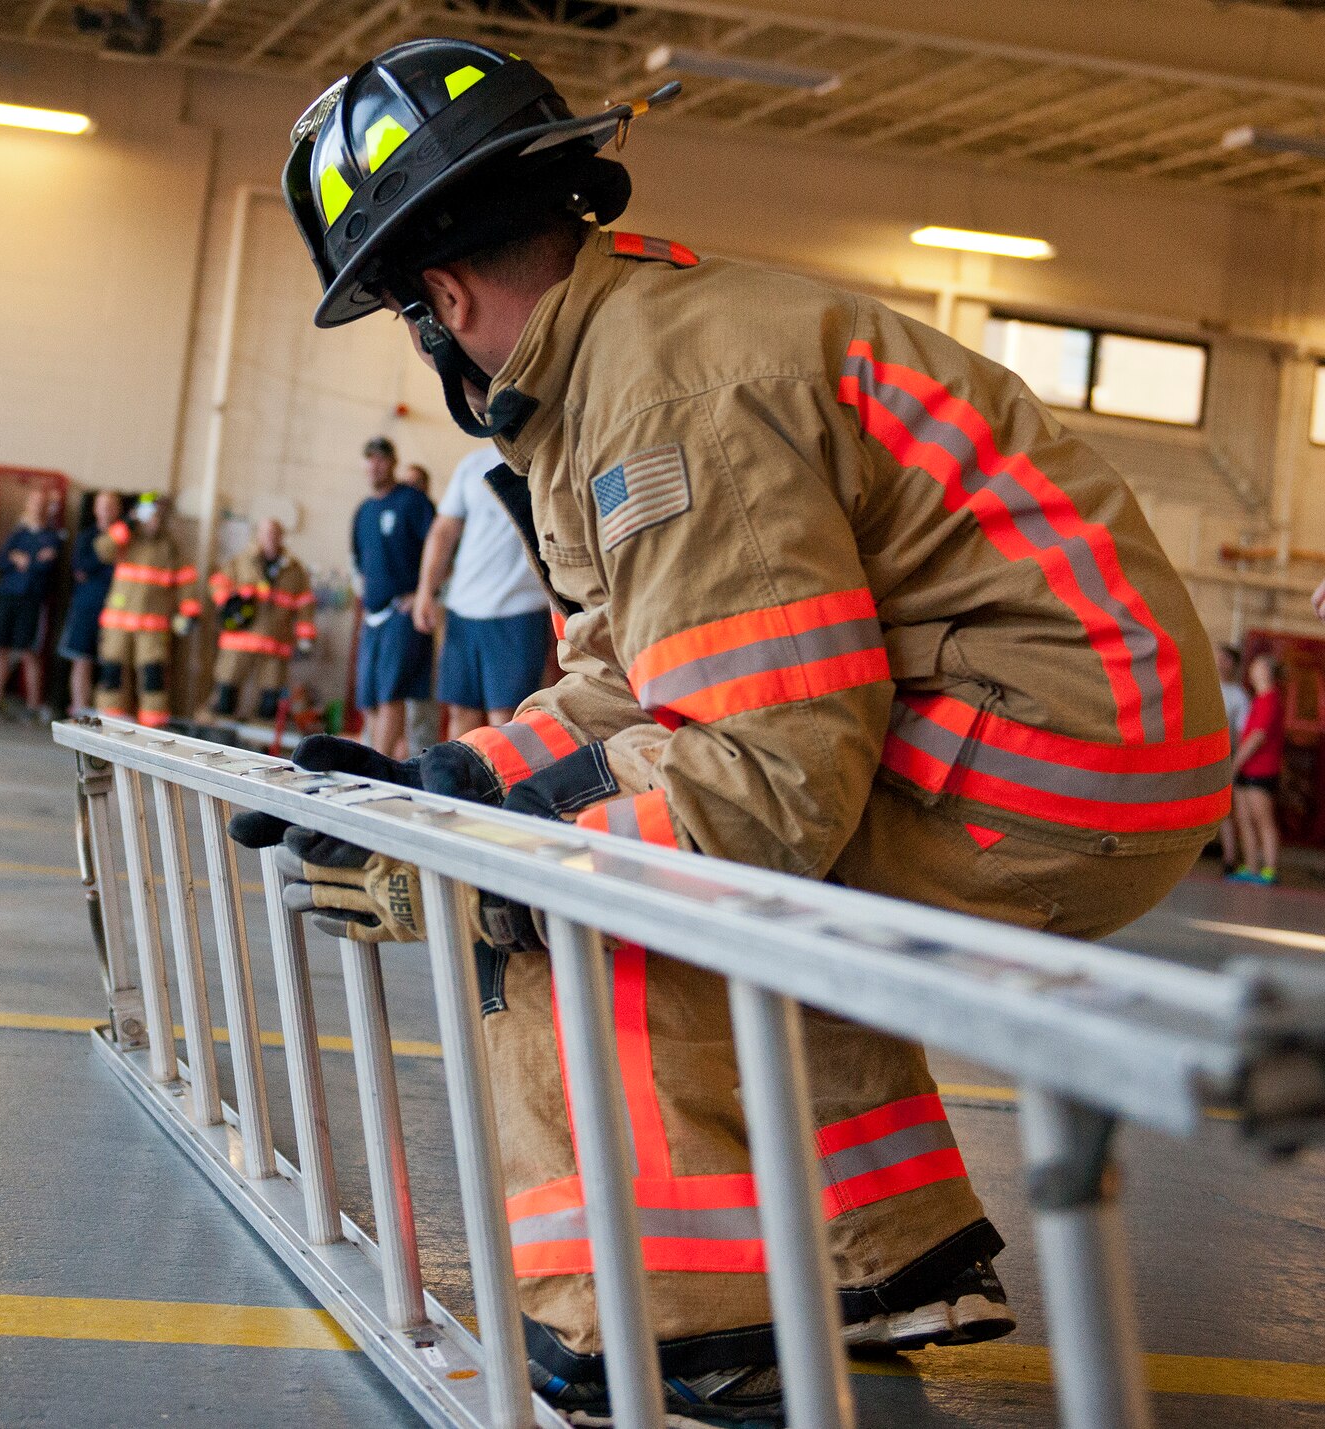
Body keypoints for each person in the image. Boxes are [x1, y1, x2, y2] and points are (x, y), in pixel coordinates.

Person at [252, 40, 1231, 1424]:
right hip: (1067, 736)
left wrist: (487, 866)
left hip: (1043, 764)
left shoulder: (662, 409)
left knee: (582, 901)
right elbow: (632, 681)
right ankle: (878, 1267)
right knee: (629, 840)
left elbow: (766, 784)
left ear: (444, 296)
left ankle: (671, 1326)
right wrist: (457, 778)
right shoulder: (637, 355)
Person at [415, 444, 555, 736]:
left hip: (519, 610)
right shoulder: (473, 463)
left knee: (507, 718)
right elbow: (443, 531)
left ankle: (506, 784)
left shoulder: (549, 457)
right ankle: (454, 782)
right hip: (463, 609)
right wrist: (425, 591)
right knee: (460, 710)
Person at [351, 435, 436, 758]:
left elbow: (441, 548)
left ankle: (380, 767)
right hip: (372, 616)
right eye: (369, 458)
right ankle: (381, 757)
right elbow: (360, 561)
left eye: (381, 458)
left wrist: (423, 592)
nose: (375, 465)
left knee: (391, 694)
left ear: (392, 463)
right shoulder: (364, 510)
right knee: (369, 695)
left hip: (402, 614)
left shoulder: (413, 502)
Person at [94, 494, 199, 728]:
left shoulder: (170, 548)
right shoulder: (126, 539)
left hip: (152, 626)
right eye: (149, 515)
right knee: (112, 672)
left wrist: (190, 612)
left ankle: (153, 727)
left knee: (153, 676)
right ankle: (108, 722)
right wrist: (127, 524)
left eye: (157, 516)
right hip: (118, 623)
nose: (153, 521)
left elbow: (187, 582)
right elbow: (102, 549)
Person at [197, 517, 317, 724]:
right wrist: (231, 601)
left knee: (270, 700)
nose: (270, 538)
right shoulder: (241, 562)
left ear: (282, 537)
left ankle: (259, 744)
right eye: (266, 533)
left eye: (275, 533)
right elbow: (217, 583)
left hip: (275, 643)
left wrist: (306, 638)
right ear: (258, 535)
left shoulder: (294, 570)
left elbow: (305, 604)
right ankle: (219, 736)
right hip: (240, 641)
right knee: (226, 692)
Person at [0, 487, 63, 721]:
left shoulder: (52, 537)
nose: (37, 507)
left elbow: (45, 565)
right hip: (7, 597)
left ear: (47, 508)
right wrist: (23, 559)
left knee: (29, 651)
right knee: (0, 648)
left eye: (42, 503)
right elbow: (1, 560)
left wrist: (23, 559)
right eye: (34, 502)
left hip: (32, 600)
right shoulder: (18, 534)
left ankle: (33, 706)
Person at [58, 490, 122, 715]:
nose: (106, 510)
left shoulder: (125, 538)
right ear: (95, 509)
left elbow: (122, 572)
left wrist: (99, 567)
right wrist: (104, 561)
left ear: (118, 510)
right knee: (81, 657)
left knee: (111, 659)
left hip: (116, 608)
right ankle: (80, 708)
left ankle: (106, 709)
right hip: (86, 606)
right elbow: (81, 568)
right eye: (102, 505)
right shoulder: (86, 537)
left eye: (111, 506)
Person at [1230, 651, 1285, 885]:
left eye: (1258, 666)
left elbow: (1257, 737)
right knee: (1244, 819)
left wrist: (1236, 763)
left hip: (1261, 769)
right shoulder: (1257, 699)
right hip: (1246, 769)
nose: (1252, 668)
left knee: (1263, 819)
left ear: (1268, 672)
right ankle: (1251, 866)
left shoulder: (1271, 699)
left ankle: (1269, 869)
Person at [1216, 644, 1252, 873]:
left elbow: (1241, 734)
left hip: (1224, 757)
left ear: (1234, 665)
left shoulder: (1239, 696)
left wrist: (1234, 763)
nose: (1221, 663)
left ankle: (1229, 858)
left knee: (1224, 810)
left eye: (1227, 660)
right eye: (1219, 658)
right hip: (1199, 754)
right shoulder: (1207, 687)